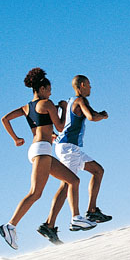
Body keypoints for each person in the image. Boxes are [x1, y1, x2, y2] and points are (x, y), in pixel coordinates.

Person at [0, 67, 95, 249]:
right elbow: (59, 127)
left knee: (73, 180)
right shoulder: (47, 103)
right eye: (49, 90)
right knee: (36, 192)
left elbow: (5, 119)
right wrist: (64, 109)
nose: (50, 93)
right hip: (42, 151)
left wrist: (16, 139)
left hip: (38, 149)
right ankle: (9, 226)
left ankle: (76, 218)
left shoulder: (27, 107)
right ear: (42, 89)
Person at [47, 74, 111, 226]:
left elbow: (61, 124)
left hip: (68, 146)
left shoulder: (70, 102)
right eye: (89, 84)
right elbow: (91, 116)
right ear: (82, 85)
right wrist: (103, 116)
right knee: (67, 183)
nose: (90, 87)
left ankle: (92, 210)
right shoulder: (81, 100)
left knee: (98, 171)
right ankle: (50, 224)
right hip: (68, 148)